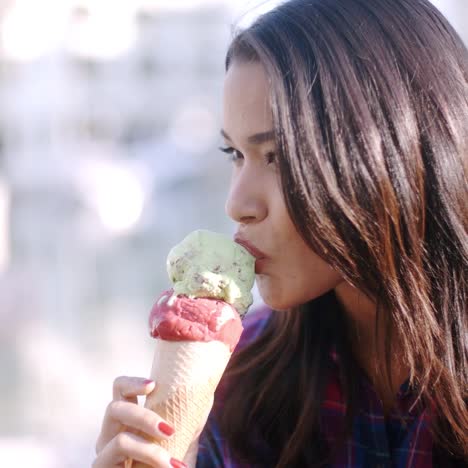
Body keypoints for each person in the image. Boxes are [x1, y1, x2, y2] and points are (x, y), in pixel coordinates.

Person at [92, 0, 468, 466]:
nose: (237, 205)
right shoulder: (240, 380)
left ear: (394, 151)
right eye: (235, 154)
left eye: (278, 157)